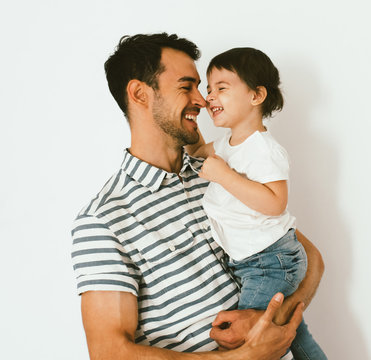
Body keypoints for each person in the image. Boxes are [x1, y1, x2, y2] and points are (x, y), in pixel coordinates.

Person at [70, 33, 324, 360]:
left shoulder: (220, 172)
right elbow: (109, 352)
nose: (203, 100)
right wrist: (242, 357)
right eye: (186, 86)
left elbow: (310, 258)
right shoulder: (103, 221)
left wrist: (269, 318)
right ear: (139, 93)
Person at [185, 47, 326, 360]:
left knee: (246, 341)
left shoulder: (264, 149)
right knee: (292, 333)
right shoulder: (224, 144)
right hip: (254, 262)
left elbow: (276, 203)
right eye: (209, 90)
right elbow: (195, 150)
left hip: (270, 262)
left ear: (256, 95)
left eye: (222, 88)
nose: (210, 97)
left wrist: (224, 176)